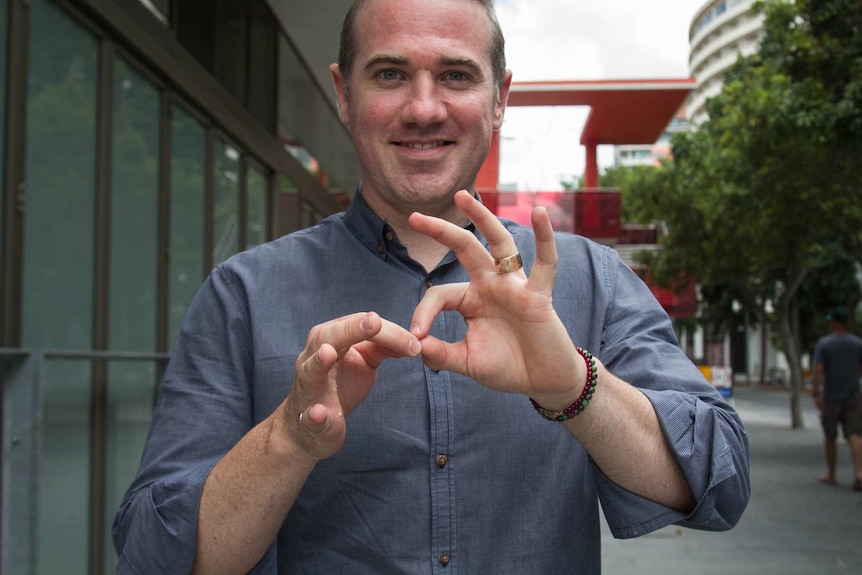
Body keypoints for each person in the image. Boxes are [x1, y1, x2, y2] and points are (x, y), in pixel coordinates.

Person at [112, 0, 751, 572]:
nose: (423, 108)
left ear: (500, 96)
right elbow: (155, 553)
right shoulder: (242, 295)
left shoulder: (594, 279)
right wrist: (292, 437)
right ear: (343, 93)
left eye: (455, 75)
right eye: (390, 74)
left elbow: (719, 480)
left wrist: (573, 387)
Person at [811, 306, 862, 491]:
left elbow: (818, 369)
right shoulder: (857, 343)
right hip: (853, 395)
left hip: (831, 396)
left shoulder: (825, 343)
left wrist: (816, 392)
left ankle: (832, 473)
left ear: (833, 322)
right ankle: (859, 473)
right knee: (854, 434)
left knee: (830, 436)